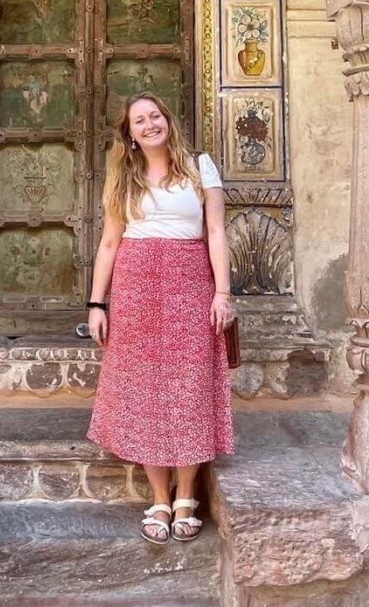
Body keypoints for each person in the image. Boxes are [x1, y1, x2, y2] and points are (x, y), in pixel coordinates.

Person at [85, 91, 235, 544]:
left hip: (191, 282)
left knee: (188, 384)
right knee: (146, 388)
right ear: (129, 134)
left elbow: (216, 231)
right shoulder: (124, 176)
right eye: (139, 121)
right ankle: (159, 497)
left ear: (167, 120)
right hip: (136, 286)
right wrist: (97, 303)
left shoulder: (199, 166)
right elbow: (110, 242)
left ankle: (187, 494)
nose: (149, 125)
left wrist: (223, 293)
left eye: (154, 116)